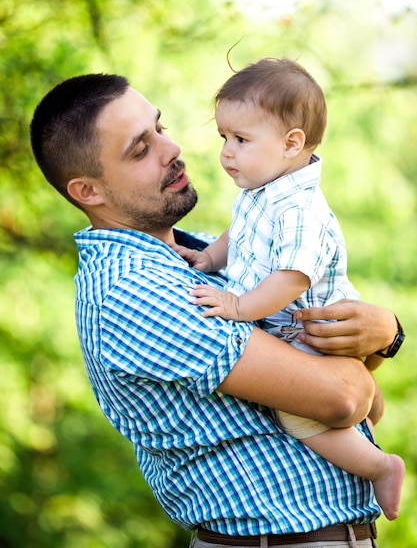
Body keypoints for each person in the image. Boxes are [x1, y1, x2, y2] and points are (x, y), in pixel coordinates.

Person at [30, 72, 406, 548]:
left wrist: (384, 336)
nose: (171, 148)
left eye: (160, 128)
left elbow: (359, 388)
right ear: (88, 192)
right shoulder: (132, 293)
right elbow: (343, 399)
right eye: (140, 149)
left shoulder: (210, 254)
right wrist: (368, 352)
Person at [171, 58, 405, 521]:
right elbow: (236, 234)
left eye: (240, 139)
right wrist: (209, 259)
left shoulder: (299, 208)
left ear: (291, 143)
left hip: (311, 329)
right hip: (303, 326)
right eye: (224, 139)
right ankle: (370, 405)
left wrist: (238, 305)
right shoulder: (262, 192)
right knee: (357, 396)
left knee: (297, 418)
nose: (227, 153)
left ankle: (380, 466)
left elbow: (293, 276)